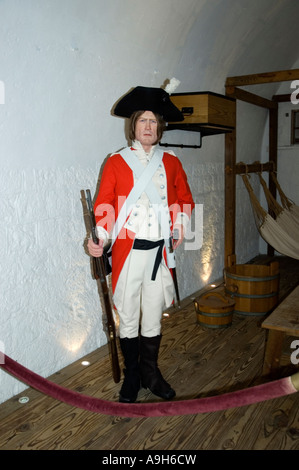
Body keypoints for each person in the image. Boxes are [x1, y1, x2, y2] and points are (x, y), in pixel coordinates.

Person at [87, 85, 194, 403]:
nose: (148, 126)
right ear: (133, 125)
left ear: (160, 127)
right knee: (130, 315)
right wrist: (100, 239)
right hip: (129, 253)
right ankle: (132, 376)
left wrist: (180, 227)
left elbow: (185, 200)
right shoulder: (116, 162)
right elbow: (104, 206)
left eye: (153, 121)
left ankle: (151, 373)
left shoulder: (171, 161)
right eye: (142, 120)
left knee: (152, 314)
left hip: (160, 254)